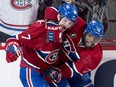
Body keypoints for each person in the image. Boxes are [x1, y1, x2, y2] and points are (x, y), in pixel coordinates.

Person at [5, 3, 78, 87]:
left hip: (48, 71)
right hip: (32, 70)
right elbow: (16, 38)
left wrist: (57, 70)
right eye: (65, 20)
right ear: (59, 16)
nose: (66, 25)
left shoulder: (64, 32)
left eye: (70, 23)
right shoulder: (41, 27)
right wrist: (12, 47)